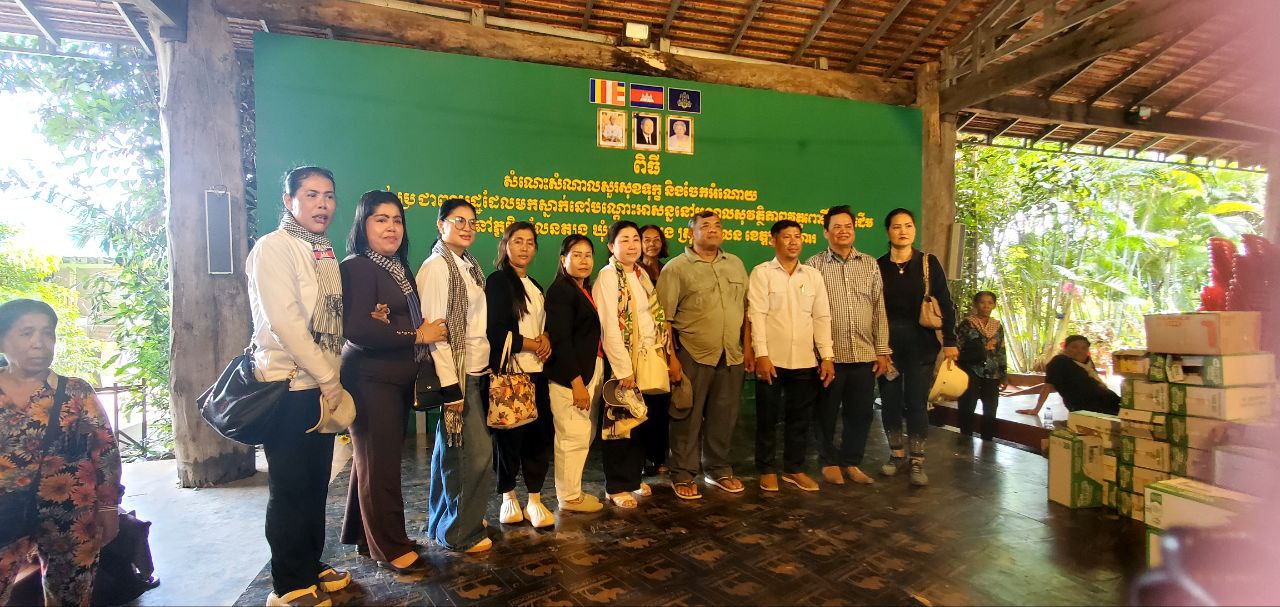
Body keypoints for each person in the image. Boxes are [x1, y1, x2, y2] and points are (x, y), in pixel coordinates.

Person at [247, 166, 352, 606]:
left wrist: (329, 377)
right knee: (290, 488)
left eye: (328, 195)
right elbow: (286, 324)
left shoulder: (322, 251)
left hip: (320, 386)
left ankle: (310, 563)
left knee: (315, 484)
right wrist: (329, 378)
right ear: (289, 201)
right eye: (311, 195)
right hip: (288, 386)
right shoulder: (274, 247)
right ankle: (288, 585)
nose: (322, 204)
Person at [338, 190, 446, 575]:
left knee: (371, 462)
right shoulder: (357, 267)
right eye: (380, 219)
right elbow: (359, 329)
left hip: (393, 377)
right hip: (370, 379)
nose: (391, 227)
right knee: (379, 465)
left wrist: (403, 326)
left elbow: (391, 320)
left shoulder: (396, 266)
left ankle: (364, 536)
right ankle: (389, 546)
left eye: (397, 220)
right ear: (363, 225)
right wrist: (416, 334)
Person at [0, 299, 122, 607]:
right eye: (26, 333)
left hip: (72, 515)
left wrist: (109, 507)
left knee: (70, 597)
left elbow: (105, 450)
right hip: (4, 514)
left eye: (47, 333)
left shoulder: (75, 392)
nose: (39, 342)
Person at [415, 198, 495, 554]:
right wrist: (452, 388)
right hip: (458, 378)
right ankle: (461, 533)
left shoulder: (468, 266)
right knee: (473, 457)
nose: (467, 227)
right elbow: (436, 333)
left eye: (472, 222)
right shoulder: (437, 267)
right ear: (440, 224)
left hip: (474, 371)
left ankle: (446, 522)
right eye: (458, 220)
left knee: (450, 452)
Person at [657, 211, 751, 500]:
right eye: (705, 226)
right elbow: (663, 320)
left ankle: (718, 469)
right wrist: (671, 359)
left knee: (724, 416)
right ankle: (683, 474)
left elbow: (745, 311)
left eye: (717, 226)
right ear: (691, 234)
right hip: (691, 355)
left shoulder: (735, 264)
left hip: (731, 355)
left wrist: (748, 349)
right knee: (686, 417)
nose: (713, 230)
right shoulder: (676, 268)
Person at [804, 205, 891, 486]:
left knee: (861, 413)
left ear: (854, 230)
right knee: (826, 413)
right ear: (826, 232)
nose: (843, 231)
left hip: (864, 353)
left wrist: (882, 350)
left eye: (848, 226)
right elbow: (807, 312)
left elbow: (879, 308)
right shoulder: (814, 265)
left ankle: (852, 462)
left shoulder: (869, 264)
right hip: (829, 356)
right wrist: (819, 354)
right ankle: (828, 462)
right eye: (837, 227)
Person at [748, 221, 836, 493]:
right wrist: (761, 354)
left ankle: (794, 469)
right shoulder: (762, 273)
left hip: (804, 361)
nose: (793, 242)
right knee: (767, 419)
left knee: (799, 420)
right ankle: (766, 469)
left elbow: (821, 317)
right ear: (773, 240)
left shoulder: (812, 276)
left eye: (798, 237)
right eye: (787, 237)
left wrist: (827, 356)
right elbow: (757, 316)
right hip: (771, 360)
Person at [877, 207, 957, 487]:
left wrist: (950, 341)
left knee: (916, 403)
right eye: (896, 226)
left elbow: (945, 302)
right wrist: (877, 347)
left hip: (921, 346)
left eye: (908, 226)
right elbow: (873, 309)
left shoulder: (928, 263)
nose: (903, 231)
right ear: (888, 231)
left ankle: (917, 460)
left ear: (914, 230)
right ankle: (896, 454)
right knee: (889, 401)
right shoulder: (878, 266)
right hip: (887, 348)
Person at [594, 221, 670, 509]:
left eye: (635, 239)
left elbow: (652, 317)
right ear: (611, 246)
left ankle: (633, 478)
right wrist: (623, 369)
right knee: (619, 425)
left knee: (638, 420)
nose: (632, 245)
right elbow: (609, 327)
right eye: (624, 240)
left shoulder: (640, 274)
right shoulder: (607, 276)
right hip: (621, 363)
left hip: (646, 358)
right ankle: (616, 486)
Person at [485, 222, 555, 528]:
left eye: (529, 242)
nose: (524, 247)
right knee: (508, 437)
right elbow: (496, 330)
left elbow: (543, 325)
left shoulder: (536, 286)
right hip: (510, 376)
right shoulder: (498, 281)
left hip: (537, 374)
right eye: (517, 241)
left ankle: (535, 499)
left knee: (539, 438)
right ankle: (509, 496)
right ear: (505, 245)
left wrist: (546, 338)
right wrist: (533, 344)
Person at [544, 235, 606, 514]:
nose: (584, 261)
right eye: (576, 255)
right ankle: (569, 497)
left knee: (583, 434)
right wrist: (576, 383)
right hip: (571, 378)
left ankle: (573, 491)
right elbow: (561, 340)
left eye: (588, 255)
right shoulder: (561, 291)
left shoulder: (584, 290)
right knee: (572, 437)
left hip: (590, 371)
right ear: (563, 260)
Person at [635, 225, 670, 477]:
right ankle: (642, 458)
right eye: (646, 240)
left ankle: (659, 457)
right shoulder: (633, 272)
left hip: (665, 344)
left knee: (661, 404)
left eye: (656, 240)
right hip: (642, 347)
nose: (651, 244)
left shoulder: (669, 270)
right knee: (642, 404)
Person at [1021, 335, 1121, 417]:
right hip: (1088, 408)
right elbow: (1048, 386)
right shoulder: (1060, 361)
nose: (1079, 351)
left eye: (1084, 348)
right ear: (1065, 348)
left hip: (1108, 401)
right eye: (1074, 347)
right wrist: (1036, 409)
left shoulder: (1088, 362)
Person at [956, 291, 1008, 441]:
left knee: (990, 409)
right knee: (967, 406)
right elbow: (957, 346)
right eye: (982, 302)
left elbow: (1001, 350)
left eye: (990, 303)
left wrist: (1004, 375)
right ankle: (965, 440)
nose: (986, 306)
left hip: (992, 372)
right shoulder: (967, 323)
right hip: (970, 370)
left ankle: (988, 441)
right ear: (975, 304)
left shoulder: (997, 326)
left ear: (994, 305)